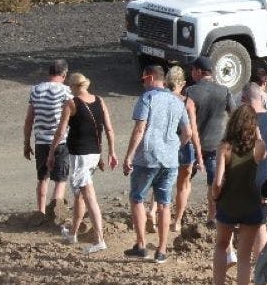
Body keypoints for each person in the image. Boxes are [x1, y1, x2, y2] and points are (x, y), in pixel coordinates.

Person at [123, 64, 192, 263]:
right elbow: (187, 132)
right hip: (170, 160)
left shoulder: (147, 98)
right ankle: (161, 250)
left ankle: (141, 245)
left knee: (137, 198)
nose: (143, 83)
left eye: (144, 79)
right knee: (164, 203)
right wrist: (175, 147)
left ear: (152, 78)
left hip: (147, 157)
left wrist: (129, 156)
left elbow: (139, 129)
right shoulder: (178, 101)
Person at [46, 72, 118, 254]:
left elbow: (60, 131)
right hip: (94, 154)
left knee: (88, 196)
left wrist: (51, 152)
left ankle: (99, 240)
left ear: (73, 86)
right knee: (79, 195)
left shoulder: (71, 103)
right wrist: (111, 152)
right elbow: (109, 129)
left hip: (80, 156)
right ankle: (73, 233)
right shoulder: (100, 100)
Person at [208, 105, 267, 285]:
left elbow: (217, 182)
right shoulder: (259, 147)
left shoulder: (224, 147)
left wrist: (215, 197)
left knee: (221, 245)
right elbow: (263, 150)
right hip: (250, 203)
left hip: (228, 203)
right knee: (244, 257)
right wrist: (256, 132)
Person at [184, 56, 235, 228]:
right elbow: (235, 115)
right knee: (213, 183)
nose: (191, 73)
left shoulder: (190, 92)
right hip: (216, 146)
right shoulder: (224, 91)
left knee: (184, 181)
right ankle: (212, 217)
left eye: (193, 70)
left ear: (199, 71)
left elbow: (185, 121)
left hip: (193, 145)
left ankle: (179, 212)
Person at [23, 59, 72, 214]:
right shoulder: (66, 91)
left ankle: (41, 211)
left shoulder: (36, 90)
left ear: (49, 73)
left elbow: (29, 120)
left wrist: (26, 142)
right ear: (64, 74)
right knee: (60, 179)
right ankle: (55, 212)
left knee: (42, 178)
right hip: (60, 141)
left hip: (41, 141)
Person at [243, 83, 267, 260]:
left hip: (249, 180)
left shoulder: (246, 121)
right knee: (260, 224)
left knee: (250, 226)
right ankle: (261, 262)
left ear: (244, 99)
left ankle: (255, 262)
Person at [166, 66, 201, 234]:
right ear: (183, 83)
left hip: (166, 145)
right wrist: (199, 155)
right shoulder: (188, 102)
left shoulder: (162, 100)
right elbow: (191, 131)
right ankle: (177, 221)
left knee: (162, 183)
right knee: (183, 185)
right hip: (184, 147)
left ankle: (154, 212)